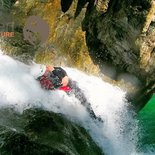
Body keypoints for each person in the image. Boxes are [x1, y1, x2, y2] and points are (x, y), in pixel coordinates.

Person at [30, 64, 100, 120]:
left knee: (84, 102)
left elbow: (63, 75)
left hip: (71, 86)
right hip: (65, 87)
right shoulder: (44, 79)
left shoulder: (50, 71)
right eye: (45, 71)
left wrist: (57, 77)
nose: (47, 70)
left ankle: (94, 118)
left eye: (46, 70)